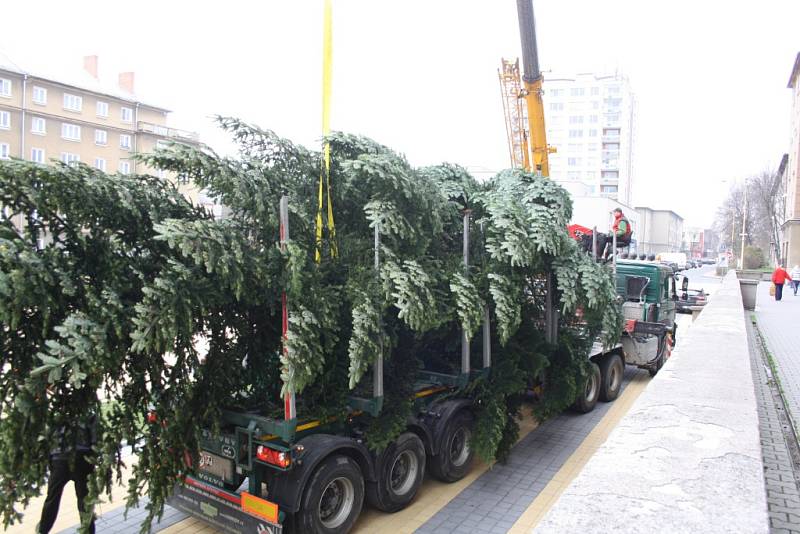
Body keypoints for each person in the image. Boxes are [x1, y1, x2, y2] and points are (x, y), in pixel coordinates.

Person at [37, 413, 97, 534]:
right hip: (82, 459)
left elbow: (46, 436)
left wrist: (50, 458)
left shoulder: (56, 408)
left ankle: (42, 530)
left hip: (59, 459)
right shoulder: (87, 407)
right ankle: (88, 531)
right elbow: (95, 436)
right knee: (84, 502)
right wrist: (93, 458)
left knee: (52, 499)